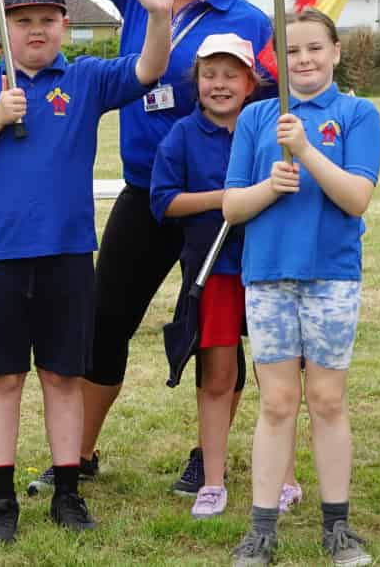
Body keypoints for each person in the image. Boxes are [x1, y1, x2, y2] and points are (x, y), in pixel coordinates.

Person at [0, 0, 172, 546]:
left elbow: (149, 69)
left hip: (68, 255)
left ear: (65, 25)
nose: (35, 30)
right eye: (22, 21)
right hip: (2, 257)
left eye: (46, 20)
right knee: (3, 380)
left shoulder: (87, 79)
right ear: (4, 29)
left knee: (64, 377)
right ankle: (1, 499)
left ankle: (68, 491)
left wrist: (160, 18)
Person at [60, 0, 274, 496]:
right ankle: (79, 452)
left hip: (221, 203)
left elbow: (278, 101)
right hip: (149, 192)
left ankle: (207, 460)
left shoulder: (253, 19)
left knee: (218, 331)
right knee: (104, 322)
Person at [224, 8, 380, 567]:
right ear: (277, 60)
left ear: (335, 51)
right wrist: (270, 185)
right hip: (267, 279)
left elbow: (356, 198)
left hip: (331, 278)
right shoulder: (256, 117)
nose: (304, 60)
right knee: (277, 403)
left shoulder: (358, 114)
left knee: (326, 399)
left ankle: (337, 527)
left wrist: (309, 150)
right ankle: (262, 528)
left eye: (315, 48)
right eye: (291, 52)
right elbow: (231, 206)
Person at [149, 33, 299, 520]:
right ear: (196, 81)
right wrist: (228, 199)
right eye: (209, 74)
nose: (219, 84)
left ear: (250, 81)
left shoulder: (269, 126)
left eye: (230, 74)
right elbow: (163, 202)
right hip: (214, 270)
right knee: (218, 375)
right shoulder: (182, 135)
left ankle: (285, 475)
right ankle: (213, 480)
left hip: (269, 266)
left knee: (276, 374)